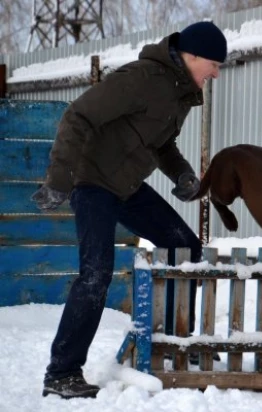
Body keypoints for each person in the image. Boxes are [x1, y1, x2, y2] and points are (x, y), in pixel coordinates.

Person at [30, 21, 227, 399]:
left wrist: (184, 174)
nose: (217, 72)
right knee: (96, 273)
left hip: (126, 185)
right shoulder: (141, 78)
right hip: (92, 183)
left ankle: (171, 342)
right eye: (214, 64)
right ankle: (62, 373)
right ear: (193, 56)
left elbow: (162, 145)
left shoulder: (179, 94)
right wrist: (60, 178)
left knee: (183, 247)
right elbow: (78, 115)